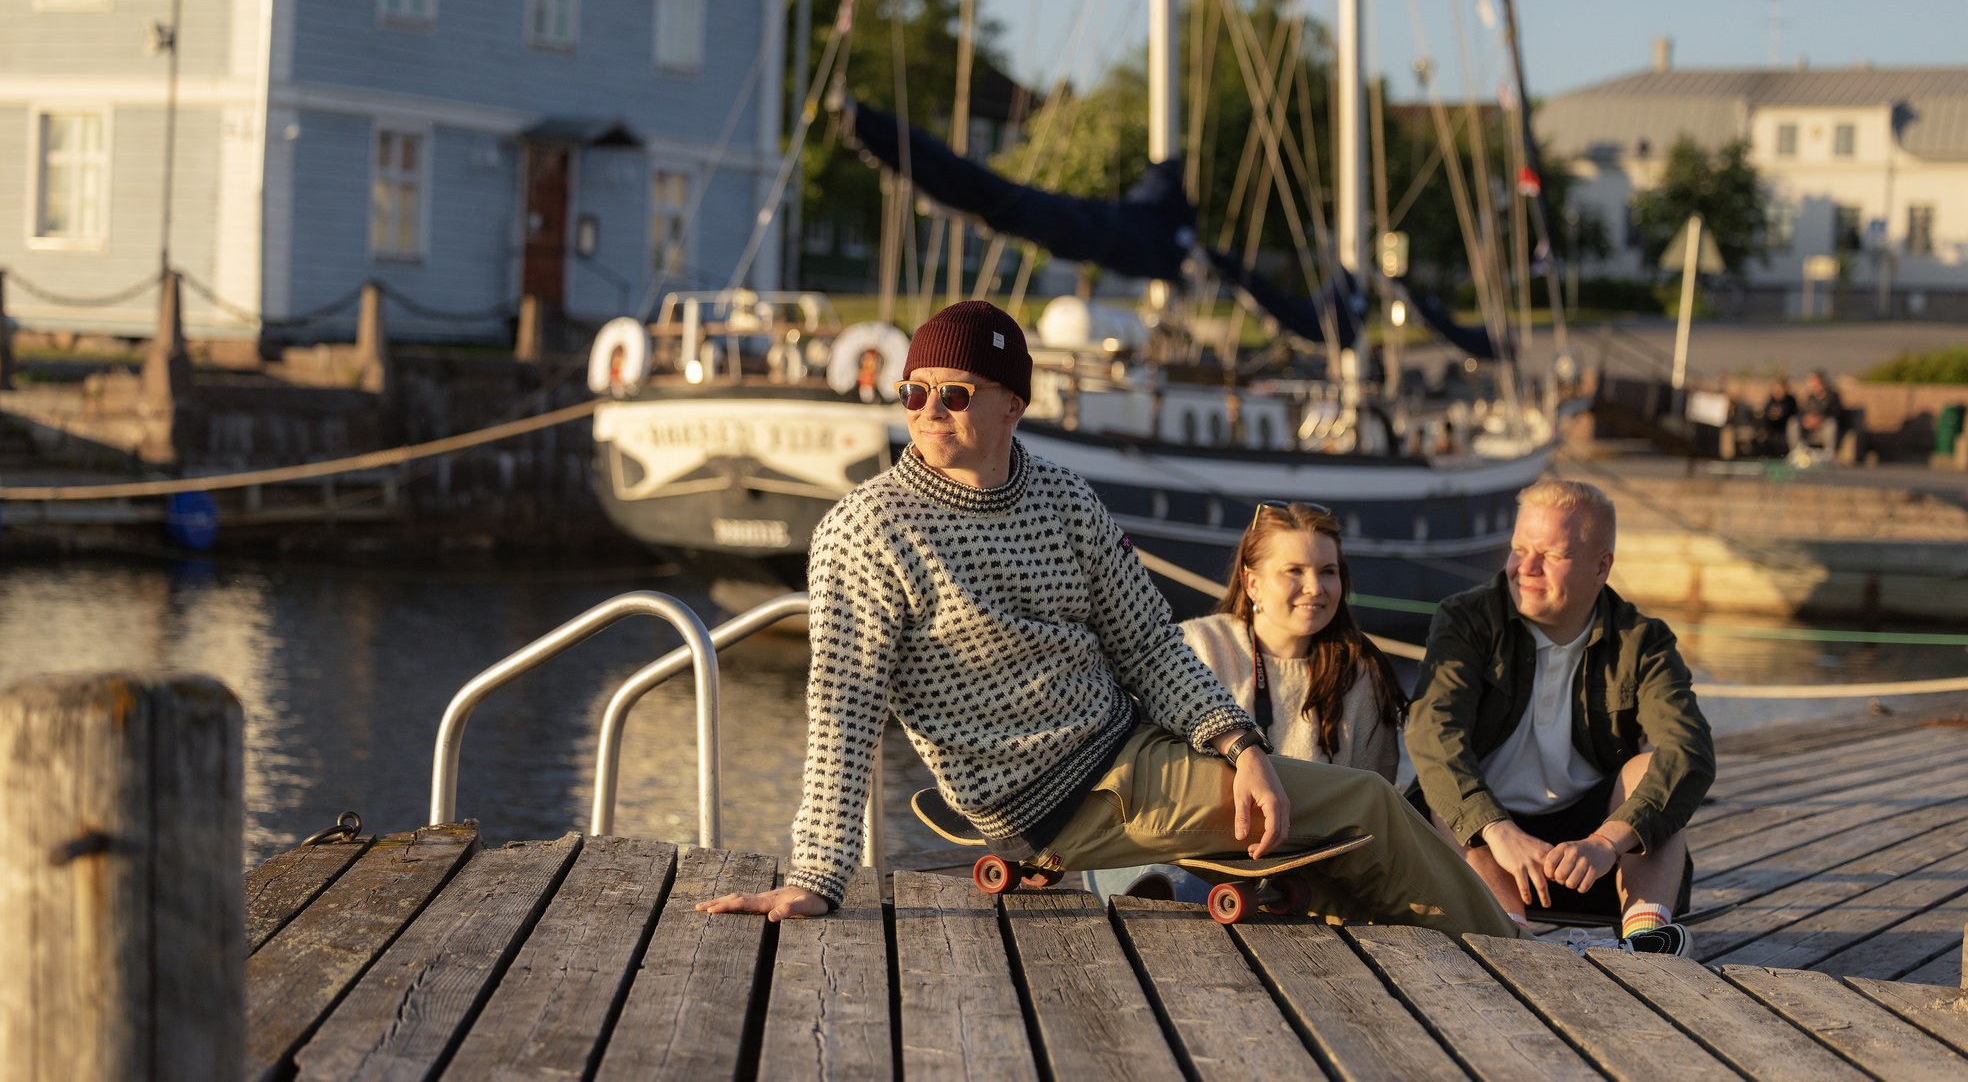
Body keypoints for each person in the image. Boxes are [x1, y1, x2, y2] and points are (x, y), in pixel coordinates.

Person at [697, 299, 1524, 941]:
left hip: (1126, 748)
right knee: (1369, 807)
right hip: (1058, 794)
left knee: (1325, 820)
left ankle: (1427, 947)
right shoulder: (867, 530)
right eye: (912, 392)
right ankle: (1512, 961)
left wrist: (1241, 747)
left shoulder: (1063, 499)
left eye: (953, 394)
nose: (927, 409)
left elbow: (1151, 649)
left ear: (1012, 405)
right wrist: (816, 876)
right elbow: (842, 712)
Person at [1406, 478, 1716, 955]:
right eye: (1518, 549)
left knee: (1656, 772)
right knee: (1443, 788)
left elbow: (1688, 751)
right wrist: (1498, 829)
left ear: (1601, 566)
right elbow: (1432, 733)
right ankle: (1507, 934)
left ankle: (1646, 938)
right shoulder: (1466, 620)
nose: (1524, 569)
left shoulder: (1644, 641)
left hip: (1594, 858)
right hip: (1488, 840)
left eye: (1550, 556)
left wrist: (1606, 842)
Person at [1082, 501, 1407, 903]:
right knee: (1168, 886)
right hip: (1168, 849)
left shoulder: (1361, 678)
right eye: (1295, 571)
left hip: (1285, 878)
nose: (1315, 587)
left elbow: (1368, 814)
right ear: (1252, 583)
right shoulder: (1193, 648)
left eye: (1328, 571)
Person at [1787, 370, 1843, 463]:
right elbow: (1802, 411)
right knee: (1794, 422)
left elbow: (1837, 412)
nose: (1811, 384)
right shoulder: (1810, 397)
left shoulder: (1833, 396)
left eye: (1813, 381)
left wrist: (1821, 419)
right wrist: (1806, 419)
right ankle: (1796, 451)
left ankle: (1829, 453)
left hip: (1823, 428)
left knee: (1831, 423)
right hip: (1809, 429)